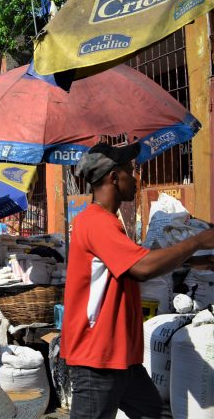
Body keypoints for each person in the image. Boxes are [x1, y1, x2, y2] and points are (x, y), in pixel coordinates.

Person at [63, 143, 214, 419]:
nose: (136, 178)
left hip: (121, 357)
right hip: (98, 359)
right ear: (113, 177)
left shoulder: (107, 223)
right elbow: (142, 267)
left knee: (154, 414)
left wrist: (193, 262)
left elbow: (134, 264)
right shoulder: (96, 222)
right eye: (130, 171)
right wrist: (197, 242)